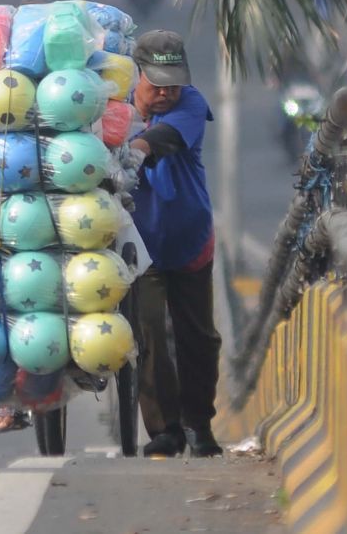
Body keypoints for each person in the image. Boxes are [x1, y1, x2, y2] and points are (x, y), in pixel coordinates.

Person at [127, 30, 223, 458]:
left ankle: (199, 424)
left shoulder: (191, 103)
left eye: (173, 82)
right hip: (139, 243)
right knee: (147, 331)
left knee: (197, 335)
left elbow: (162, 139)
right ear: (136, 74)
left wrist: (135, 150)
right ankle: (165, 430)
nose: (165, 91)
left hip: (189, 236)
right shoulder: (111, 108)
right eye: (156, 82)